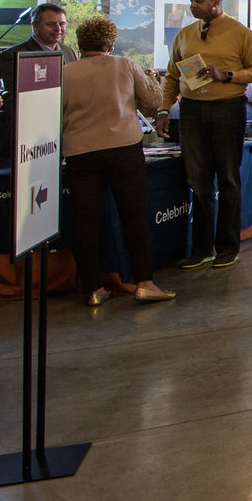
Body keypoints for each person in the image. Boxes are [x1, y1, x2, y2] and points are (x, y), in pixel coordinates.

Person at [59, 16, 174, 306]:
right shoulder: (124, 64)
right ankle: (145, 283)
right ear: (111, 42)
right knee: (134, 217)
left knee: (86, 222)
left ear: (79, 43)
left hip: (80, 151)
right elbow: (153, 99)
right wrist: (153, 80)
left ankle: (94, 290)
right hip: (123, 148)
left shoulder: (65, 72)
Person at [169, 0, 252, 270]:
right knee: (197, 181)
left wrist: (226, 75)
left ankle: (227, 246)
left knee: (227, 179)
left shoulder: (240, 33)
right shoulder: (185, 34)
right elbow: (171, 75)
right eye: (191, 0)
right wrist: (165, 108)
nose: (193, 5)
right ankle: (200, 248)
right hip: (191, 111)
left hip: (227, 109)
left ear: (217, 1)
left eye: (199, 1)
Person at [0, 1, 68, 165]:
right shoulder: (12, 56)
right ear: (34, 25)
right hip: (22, 146)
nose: (58, 29)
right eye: (50, 24)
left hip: (55, 142)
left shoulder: (67, 52)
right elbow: (8, 102)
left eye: (62, 24)